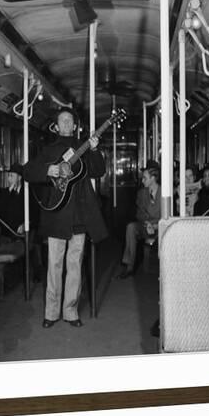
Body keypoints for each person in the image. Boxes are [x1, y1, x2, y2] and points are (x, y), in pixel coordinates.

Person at [23, 108, 108, 328]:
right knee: (54, 265)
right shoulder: (48, 150)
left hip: (79, 215)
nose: (67, 124)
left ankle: (70, 311)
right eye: (63, 120)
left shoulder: (85, 147)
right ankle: (51, 312)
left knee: (75, 265)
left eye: (70, 120)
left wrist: (96, 150)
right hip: (56, 215)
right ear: (56, 126)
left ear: (74, 125)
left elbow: (99, 171)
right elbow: (28, 171)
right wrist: (47, 170)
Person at [118, 160, 161, 279]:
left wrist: (155, 225)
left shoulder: (164, 193)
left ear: (153, 178)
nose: (142, 181)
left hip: (159, 226)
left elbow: (166, 215)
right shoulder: (142, 193)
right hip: (145, 226)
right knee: (131, 227)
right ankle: (129, 266)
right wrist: (147, 223)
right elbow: (139, 213)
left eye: (145, 178)